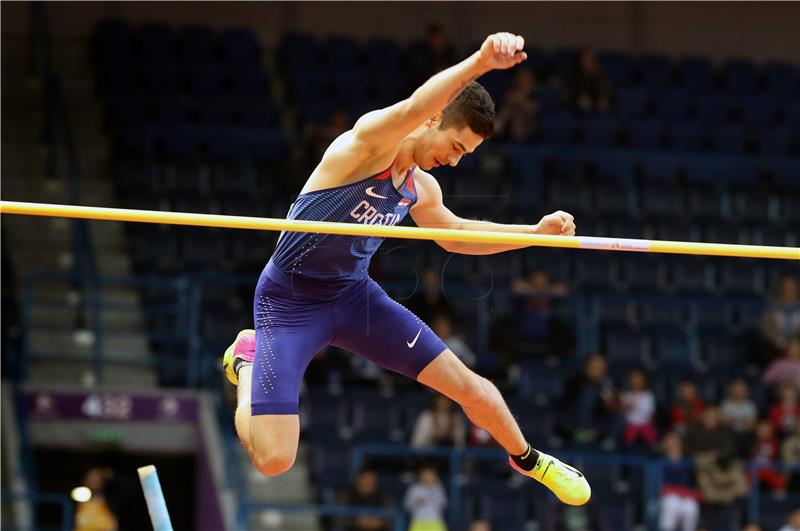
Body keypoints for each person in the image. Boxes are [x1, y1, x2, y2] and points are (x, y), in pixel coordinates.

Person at [221, 32, 589, 506]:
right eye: (454, 146)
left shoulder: (421, 187)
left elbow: (456, 236)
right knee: (274, 460)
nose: (454, 162)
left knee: (470, 388)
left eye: (464, 156)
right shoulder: (368, 144)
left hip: (354, 299)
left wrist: (533, 233)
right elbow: (415, 104)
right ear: (435, 119)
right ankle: (247, 361)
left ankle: (530, 459)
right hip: (289, 301)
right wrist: (479, 60)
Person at [563, 353, 618, 444]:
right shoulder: (575, 381)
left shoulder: (608, 384)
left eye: (601, 367)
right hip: (573, 428)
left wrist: (608, 400)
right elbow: (567, 404)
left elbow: (611, 408)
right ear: (587, 367)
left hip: (598, 431)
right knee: (589, 392)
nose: (597, 370)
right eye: (594, 366)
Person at [659, 433, 700, 531]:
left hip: (685, 495)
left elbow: (690, 482)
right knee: (671, 503)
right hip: (668, 495)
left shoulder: (688, 461)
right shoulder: (660, 461)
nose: (673, 446)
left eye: (675, 444)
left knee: (691, 507)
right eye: (670, 444)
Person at [759, 275, 800, 364]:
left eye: (792, 287)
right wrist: (783, 343)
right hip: (776, 347)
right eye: (786, 287)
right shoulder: (771, 308)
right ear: (781, 288)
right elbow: (766, 329)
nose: (789, 290)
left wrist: (796, 344)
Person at [564, 47, 613, 114]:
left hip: (597, 115)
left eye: (590, 60)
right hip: (577, 115)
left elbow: (606, 99)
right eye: (585, 61)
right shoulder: (574, 78)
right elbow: (569, 98)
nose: (587, 64)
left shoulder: (601, 78)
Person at [495, 68, 539, 141]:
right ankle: (497, 128)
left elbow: (532, 109)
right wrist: (521, 101)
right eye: (522, 79)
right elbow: (508, 98)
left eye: (526, 80)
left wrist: (519, 101)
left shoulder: (534, 95)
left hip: (528, 126)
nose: (523, 81)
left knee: (517, 114)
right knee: (508, 109)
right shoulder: (512, 90)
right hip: (509, 127)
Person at [620, 368, 658, 448]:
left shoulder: (648, 395)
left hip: (645, 423)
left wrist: (634, 407)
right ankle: (628, 449)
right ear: (629, 381)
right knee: (628, 438)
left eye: (639, 380)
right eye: (633, 380)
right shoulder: (626, 395)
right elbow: (622, 409)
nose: (636, 383)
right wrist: (626, 407)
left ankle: (653, 449)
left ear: (644, 381)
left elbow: (650, 411)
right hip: (631, 424)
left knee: (651, 437)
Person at [403, 466, 448, 531]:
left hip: (435, 521)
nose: (428, 477)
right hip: (418, 522)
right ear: (421, 476)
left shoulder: (438, 488)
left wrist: (436, 488)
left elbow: (444, 504)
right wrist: (417, 502)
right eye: (426, 475)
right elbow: (406, 505)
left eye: (430, 475)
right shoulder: (414, 489)